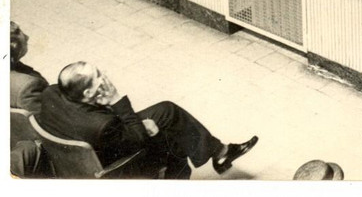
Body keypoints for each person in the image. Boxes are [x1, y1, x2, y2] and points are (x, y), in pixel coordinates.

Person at [37, 62, 258, 178]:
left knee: (167, 111)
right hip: (115, 161)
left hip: (81, 147)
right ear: (86, 94)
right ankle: (194, 168)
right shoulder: (102, 126)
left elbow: (89, 116)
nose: (104, 75)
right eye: (98, 76)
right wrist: (116, 99)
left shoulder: (51, 93)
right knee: (171, 138)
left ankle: (220, 152)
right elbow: (137, 140)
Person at [10, 22, 48, 114]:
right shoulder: (27, 86)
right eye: (18, 32)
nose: (27, 37)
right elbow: (45, 119)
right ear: (13, 44)